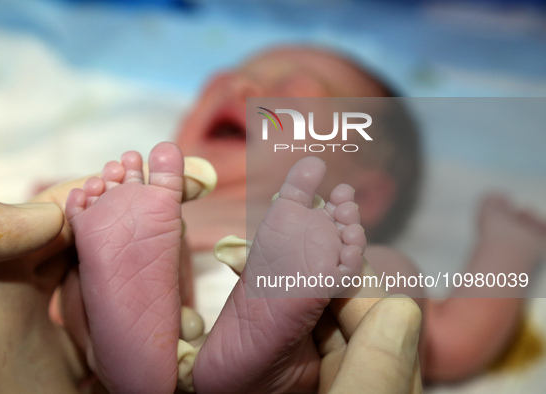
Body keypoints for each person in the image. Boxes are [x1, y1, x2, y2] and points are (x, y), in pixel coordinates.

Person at [58, 45, 546, 392]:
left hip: (305, 310)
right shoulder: (150, 211)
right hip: (161, 295)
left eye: (289, 86)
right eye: (236, 73)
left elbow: (454, 343)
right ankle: (138, 351)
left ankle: (275, 362)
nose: (242, 84)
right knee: (80, 271)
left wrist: (508, 246)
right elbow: (459, 337)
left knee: (384, 278)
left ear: (367, 194)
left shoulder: (332, 246)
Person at [0, 194, 422, 393]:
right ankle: (274, 370)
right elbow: (463, 336)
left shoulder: (153, 201)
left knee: (84, 266)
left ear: (379, 193)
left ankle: (115, 358)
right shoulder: (163, 206)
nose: (252, 84)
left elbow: (42, 217)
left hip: (205, 292)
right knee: (384, 288)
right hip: (201, 283)